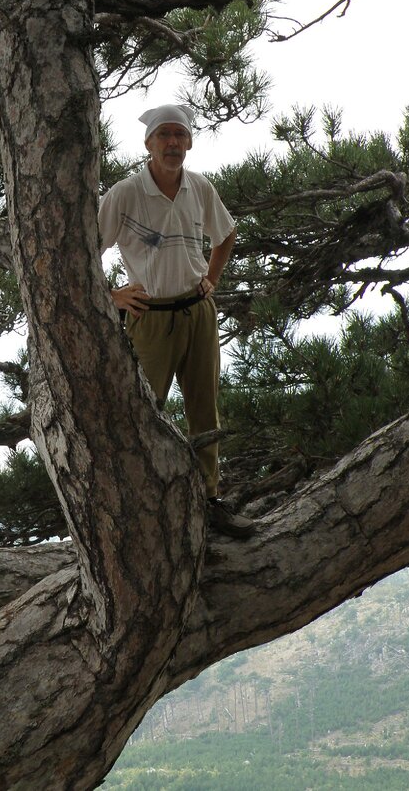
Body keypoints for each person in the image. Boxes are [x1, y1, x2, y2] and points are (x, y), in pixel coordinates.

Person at [98, 104, 254, 539]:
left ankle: (209, 499)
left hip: (197, 312)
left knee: (205, 408)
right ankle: (139, 508)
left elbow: (226, 234)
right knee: (143, 413)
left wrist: (212, 279)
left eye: (179, 135)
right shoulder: (125, 194)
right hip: (150, 317)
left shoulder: (199, 187)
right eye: (164, 135)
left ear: (189, 142)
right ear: (148, 143)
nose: (172, 143)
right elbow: (85, 248)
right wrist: (111, 295)